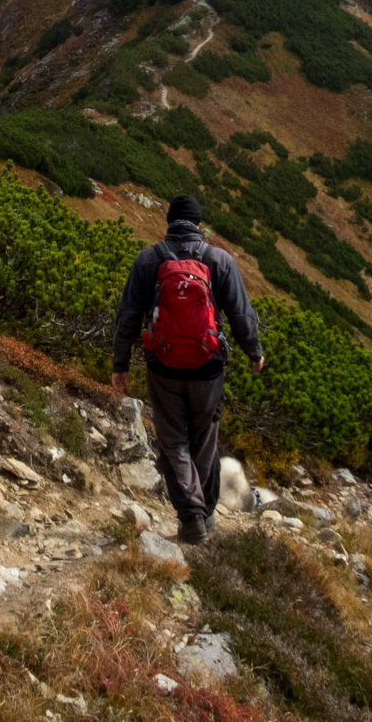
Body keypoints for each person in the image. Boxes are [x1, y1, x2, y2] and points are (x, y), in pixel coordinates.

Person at [111, 194, 264, 544]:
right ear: (198, 225)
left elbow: (129, 318)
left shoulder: (148, 260)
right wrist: (253, 351)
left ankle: (191, 515)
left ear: (169, 223)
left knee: (174, 441)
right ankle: (204, 514)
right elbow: (241, 314)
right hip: (208, 368)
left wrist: (120, 364)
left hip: (163, 367)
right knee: (204, 440)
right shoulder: (218, 259)